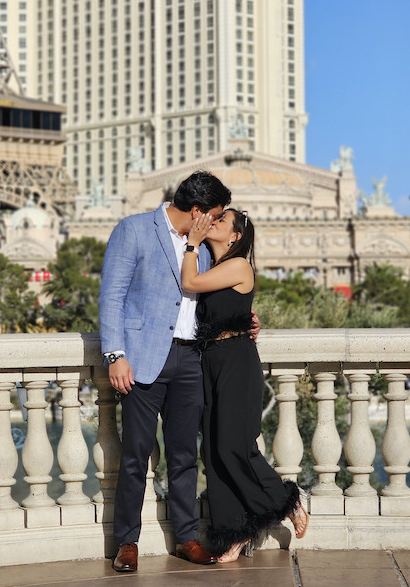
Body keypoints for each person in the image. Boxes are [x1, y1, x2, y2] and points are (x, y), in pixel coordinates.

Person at [98, 171, 232, 573]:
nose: (216, 222)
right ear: (196, 211)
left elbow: (209, 295)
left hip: (191, 359)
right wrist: (114, 355)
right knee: (136, 455)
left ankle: (187, 538)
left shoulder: (203, 247)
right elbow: (112, 296)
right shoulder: (135, 229)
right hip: (141, 359)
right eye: (214, 215)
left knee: (184, 455)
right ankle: (127, 542)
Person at [181, 209, 309, 562]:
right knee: (213, 452)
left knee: (235, 446)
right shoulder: (211, 263)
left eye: (222, 221)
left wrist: (191, 244)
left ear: (235, 236)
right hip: (210, 361)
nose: (214, 222)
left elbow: (189, 284)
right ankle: (234, 534)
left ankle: (286, 502)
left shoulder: (237, 265)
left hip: (236, 359)